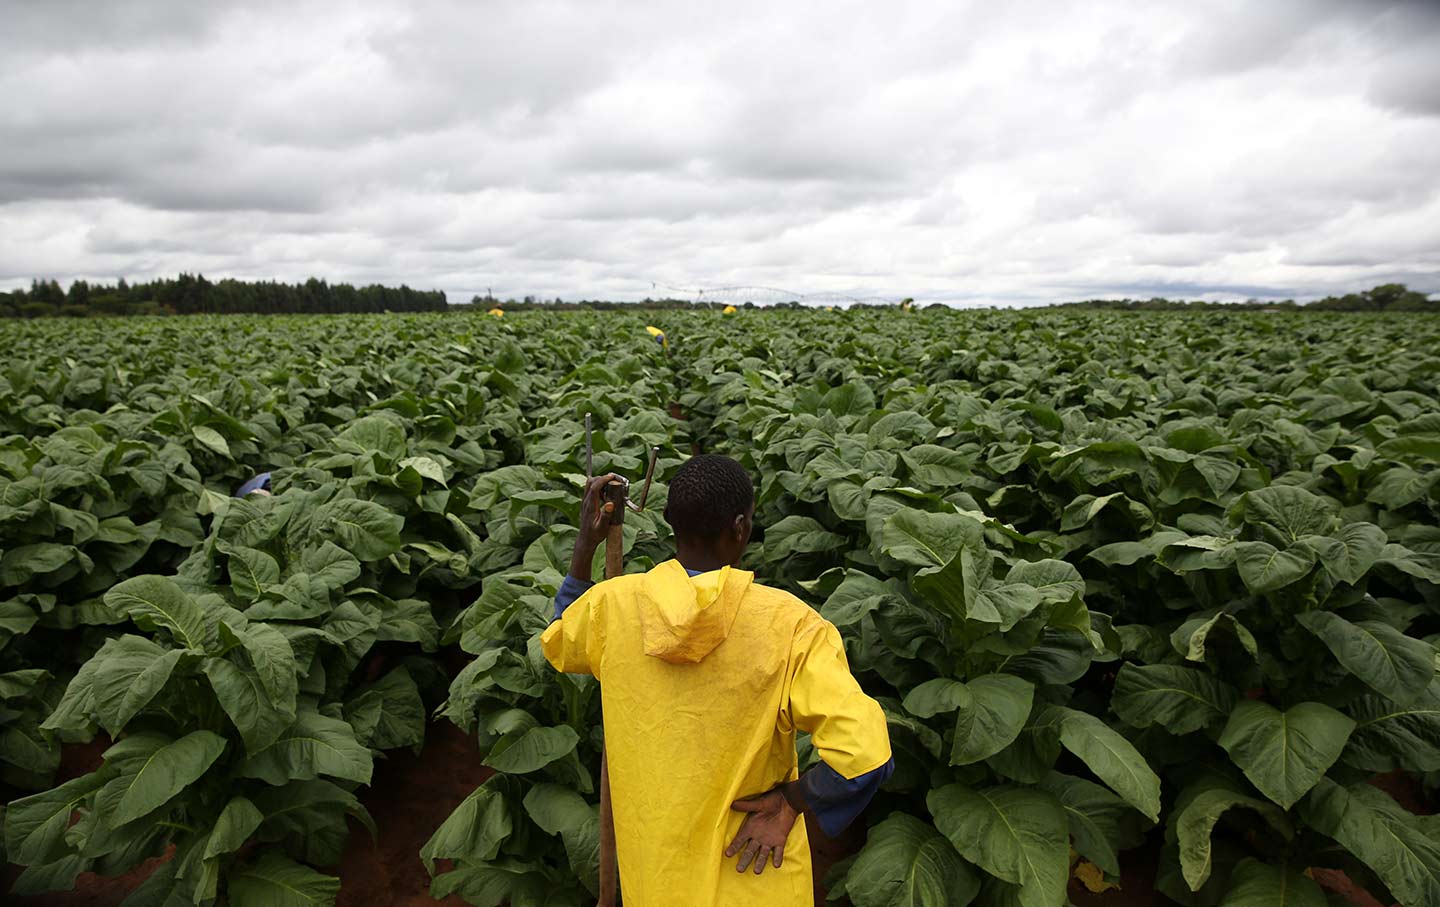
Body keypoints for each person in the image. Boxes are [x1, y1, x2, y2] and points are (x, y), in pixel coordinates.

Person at [541, 455, 893, 906]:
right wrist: (792, 801)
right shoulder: (792, 625)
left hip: (656, 877)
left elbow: (559, 639)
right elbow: (865, 754)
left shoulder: (612, 607)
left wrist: (584, 547)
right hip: (752, 868)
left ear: (670, 523)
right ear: (741, 526)